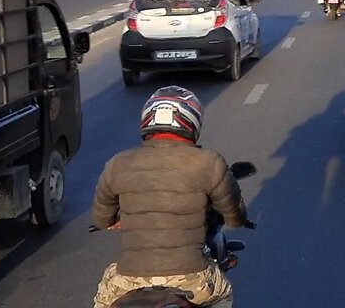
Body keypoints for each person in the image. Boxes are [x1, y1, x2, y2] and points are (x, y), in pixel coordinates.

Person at [91, 87, 249, 308]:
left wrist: (116, 219)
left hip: (130, 280)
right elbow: (234, 217)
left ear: (147, 121)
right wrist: (237, 217)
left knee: (104, 300)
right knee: (222, 295)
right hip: (192, 279)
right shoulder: (209, 162)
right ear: (193, 122)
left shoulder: (117, 163)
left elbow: (100, 220)